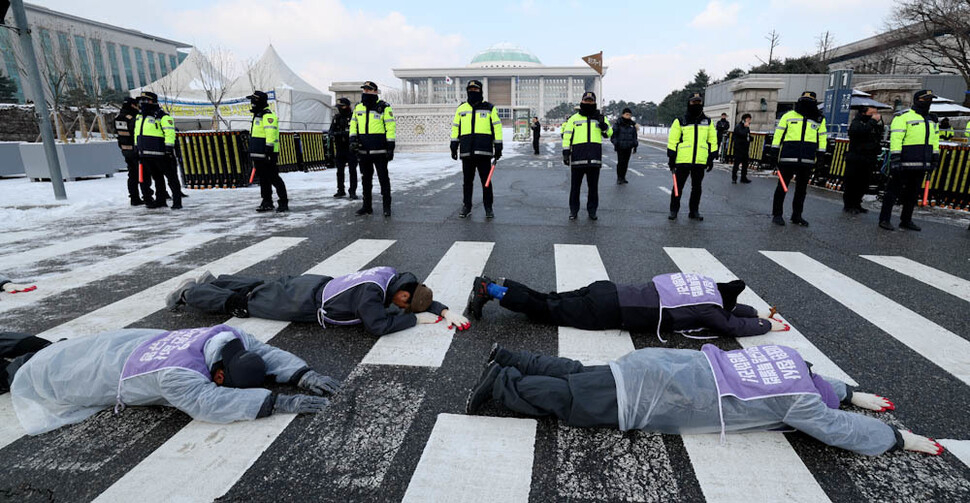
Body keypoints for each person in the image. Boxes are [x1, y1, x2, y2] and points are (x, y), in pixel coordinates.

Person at [463, 343, 944, 457]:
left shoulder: (790, 359)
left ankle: (513, 357)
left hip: (658, 364)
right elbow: (838, 430)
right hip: (661, 394)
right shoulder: (801, 402)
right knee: (573, 400)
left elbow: (826, 387)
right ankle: (501, 383)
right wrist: (897, 439)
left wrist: (852, 392)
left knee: (582, 373)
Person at [6, 324, 341, 435]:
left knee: (42, 348)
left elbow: (265, 354)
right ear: (220, 374)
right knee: (22, 367)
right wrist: (278, 402)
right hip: (75, 375)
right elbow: (209, 403)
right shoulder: (178, 375)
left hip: (109, 346)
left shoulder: (225, 336)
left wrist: (301, 374)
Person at [466, 272, 787, 339]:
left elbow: (729, 311)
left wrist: (756, 311)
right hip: (611, 312)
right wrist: (765, 325)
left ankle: (501, 284)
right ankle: (490, 289)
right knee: (545, 311)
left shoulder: (703, 285)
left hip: (607, 289)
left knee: (548, 299)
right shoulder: (709, 309)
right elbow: (729, 325)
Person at [167, 267, 470, 337]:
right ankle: (188, 293)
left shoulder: (392, 276)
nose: (401, 307)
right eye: (404, 305)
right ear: (403, 294)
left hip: (315, 284)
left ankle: (213, 282)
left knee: (261, 287)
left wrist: (442, 309)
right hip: (304, 302)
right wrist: (414, 319)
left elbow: (417, 296)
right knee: (244, 303)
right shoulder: (372, 295)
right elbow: (377, 325)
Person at [879, 90, 940, 232]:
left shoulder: (932, 120)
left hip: (921, 163)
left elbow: (935, 140)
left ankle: (906, 220)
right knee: (892, 192)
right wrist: (895, 158)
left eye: (931, 99)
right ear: (918, 100)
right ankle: (884, 219)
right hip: (904, 162)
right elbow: (896, 139)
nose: (929, 102)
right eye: (926, 99)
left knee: (912, 195)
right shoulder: (903, 117)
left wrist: (935, 158)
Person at [769, 91, 827, 227]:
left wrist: (821, 157)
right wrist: (774, 151)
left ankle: (797, 215)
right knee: (782, 187)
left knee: (801, 190)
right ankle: (777, 214)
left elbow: (822, 138)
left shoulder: (819, 119)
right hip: (788, 158)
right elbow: (778, 134)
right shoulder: (788, 116)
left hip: (807, 159)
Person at [450, 80, 503, 219]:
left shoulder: (489, 108)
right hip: (467, 151)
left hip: (484, 152)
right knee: (467, 182)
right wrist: (454, 145)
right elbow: (456, 127)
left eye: (475, 89)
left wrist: (498, 145)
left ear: (481, 91)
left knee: (486, 182)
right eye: (470, 89)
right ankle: (467, 206)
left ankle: (488, 207)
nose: (473, 91)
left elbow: (497, 127)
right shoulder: (461, 109)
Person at [562, 91, 612, 220]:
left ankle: (592, 211)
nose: (588, 102)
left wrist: (603, 125)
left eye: (591, 101)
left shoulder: (600, 117)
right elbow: (567, 136)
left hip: (594, 158)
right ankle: (573, 211)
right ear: (582, 101)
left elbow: (609, 133)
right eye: (586, 100)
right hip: (578, 158)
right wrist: (566, 152)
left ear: (594, 102)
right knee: (575, 188)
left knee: (593, 188)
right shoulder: (574, 119)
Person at [667, 92, 717, 221]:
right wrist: (671, 158)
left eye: (698, 102)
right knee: (678, 186)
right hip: (683, 159)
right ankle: (674, 210)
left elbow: (712, 140)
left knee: (697, 187)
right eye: (693, 102)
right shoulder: (680, 120)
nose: (696, 104)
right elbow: (673, 140)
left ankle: (694, 211)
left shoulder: (708, 122)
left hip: (700, 160)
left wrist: (711, 157)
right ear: (689, 103)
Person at [350, 81, 396, 217]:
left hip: (379, 150)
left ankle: (386, 207)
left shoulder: (384, 107)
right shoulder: (358, 107)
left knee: (383, 179)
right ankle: (367, 206)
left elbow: (390, 127)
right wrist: (352, 140)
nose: (366, 92)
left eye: (369, 90)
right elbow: (353, 125)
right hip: (363, 150)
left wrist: (390, 146)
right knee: (365, 179)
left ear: (375, 91)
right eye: (364, 89)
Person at [133, 92, 182, 210]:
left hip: (162, 154)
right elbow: (137, 132)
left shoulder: (163, 117)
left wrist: (168, 148)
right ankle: (160, 200)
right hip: (146, 154)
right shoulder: (139, 117)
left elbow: (170, 133)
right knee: (157, 179)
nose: (143, 103)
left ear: (153, 101)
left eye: (146, 100)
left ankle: (177, 201)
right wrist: (136, 147)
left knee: (171, 178)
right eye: (141, 100)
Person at [247, 91, 287, 213]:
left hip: (268, 153)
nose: (252, 103)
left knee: (274, 178)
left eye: (254, 100)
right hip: (259, 153)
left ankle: (283, 202)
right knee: (264, 179)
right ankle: (267, 201)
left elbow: (271, 133)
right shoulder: (258, 115)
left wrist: (269, 149)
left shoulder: (267, 115)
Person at [844, 106, 884, 214]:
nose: (875, 116)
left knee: (863, 183)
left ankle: (857, 203)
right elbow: (859, 133)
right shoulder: (857, 123)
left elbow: (878, 136)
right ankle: (849, 205)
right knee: (852, 182)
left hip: (869, 158)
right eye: (872, 113)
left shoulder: (874, 125)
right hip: (856, 157)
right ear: (864, 113)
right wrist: (872, 121)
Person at [114, 97, 153, 206]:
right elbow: (137, 132)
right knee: (143, 174)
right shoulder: (132, 118)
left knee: (132, 175)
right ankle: (147, 196)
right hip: (135, 150)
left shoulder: (118, 117)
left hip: (125, 149)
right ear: (132, 105)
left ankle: (134, 198)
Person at [330, 98, 358, 200]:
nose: (340, 109)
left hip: (350, 148)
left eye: (342, 106)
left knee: (352, 171)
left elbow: (354, 132)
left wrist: (341, 133)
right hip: (340, 148)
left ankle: (352, 191)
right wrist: (335, 134)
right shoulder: (336, 118)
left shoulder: (353, 118)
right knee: (340, 171)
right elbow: (331, 131)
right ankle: (340, 190)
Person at [610, 108, 638, 185]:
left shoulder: (632, 125)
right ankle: (619, 177)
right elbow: (613, 135)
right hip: (620, 146)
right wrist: (616, 143)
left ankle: (623, 177)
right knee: (620, 162)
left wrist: (635, 145)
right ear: (623, 114)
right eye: (626, 114)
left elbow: (634, 136)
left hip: (628, 146)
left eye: (629, 115)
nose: (628, 116)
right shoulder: (618, 124)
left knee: (626, 163)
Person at [731, 114, 753, 184]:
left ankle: (743, 177)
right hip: (739, 148)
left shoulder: (747, 128)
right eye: (748, 119)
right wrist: (745, 128)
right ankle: (734, 178)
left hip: (745, 148)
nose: (749, 121)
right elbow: (741, 134)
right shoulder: (738, 126)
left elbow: (747, 135)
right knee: (736, 164)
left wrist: (750, 138)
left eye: (750, 120)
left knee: (745, 164)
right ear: (744, 120)